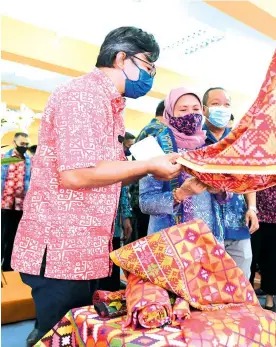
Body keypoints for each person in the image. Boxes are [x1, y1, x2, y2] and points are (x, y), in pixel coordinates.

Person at [11, 27, 182, 347]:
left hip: (84, 249)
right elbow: (76, 174)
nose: (150, 75)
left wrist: (150, 168)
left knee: (75, 334)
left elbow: (105, 174)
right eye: (148, 65)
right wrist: (146, 166)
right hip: (61, 250)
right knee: (59, 336)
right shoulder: (84, 96)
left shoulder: (109, 105)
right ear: (121, 58)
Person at [140, 87, 231, 243]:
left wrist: (219, 189)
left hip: (209, 240)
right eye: (183, 109)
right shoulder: (154, 147)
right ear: (169, 113)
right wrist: (180, 194)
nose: (191, 114)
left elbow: (227, 194)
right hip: (169, 242)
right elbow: (145, 203)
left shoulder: (209, 147)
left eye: (196, 109)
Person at [202, 87, 259, 278]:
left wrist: (252, 208)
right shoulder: (195, 141)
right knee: (209, 284)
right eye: (215, 104)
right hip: (205, 227)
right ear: (204, 109)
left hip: (237, 222)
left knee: (241, 279)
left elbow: (248, 177)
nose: (222, 109)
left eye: (226, 104)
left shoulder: (239, 141)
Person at [250, 179, 276, 312]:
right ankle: (249, 298)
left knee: (272, 261)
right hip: (254, 218)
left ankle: (270, 300)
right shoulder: (253, 162)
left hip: (275, 219)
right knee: (251, 259)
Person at [129, 100, 167, 242]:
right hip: (151, 201)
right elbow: (158, 172)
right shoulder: (159, 131)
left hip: (142, 199)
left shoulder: (149, 128)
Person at [1, 132, 31, 271]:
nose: (24, 147)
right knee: (2, 235)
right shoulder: (5, 158)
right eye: (22, 144)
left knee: (13, 237)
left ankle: (8, 265)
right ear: (14, 143)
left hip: (20, 206)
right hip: (4, 203)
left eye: (26, 144)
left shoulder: (28, 160)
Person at [97, 186, 132, 291]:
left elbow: (122, 186)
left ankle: (110, 295)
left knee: (111, 263)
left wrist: (126, 217)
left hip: (112, 222)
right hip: (86, 222)